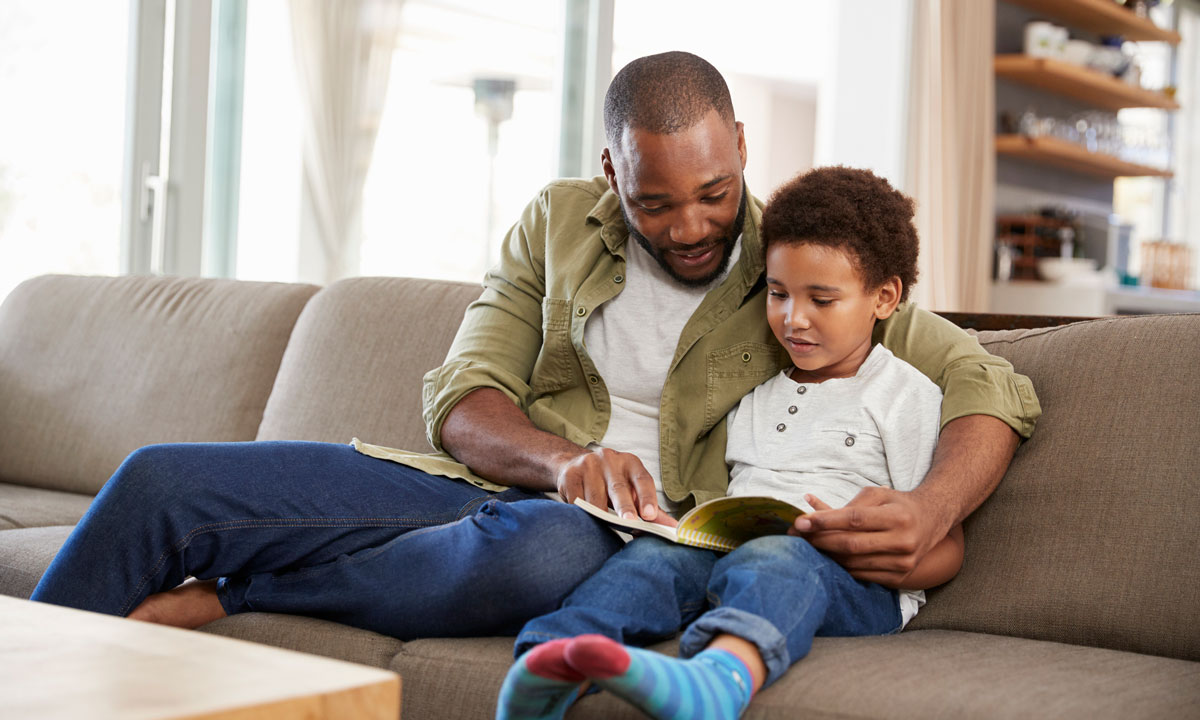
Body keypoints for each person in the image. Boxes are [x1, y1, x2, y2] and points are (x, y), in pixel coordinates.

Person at [31, 52, 1037, 641]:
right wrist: (563, 462)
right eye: (655, 202)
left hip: (628, 534)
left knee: (548, 555)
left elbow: (987, 378)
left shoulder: (798, 270)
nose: (691, 226)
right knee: (159, 481)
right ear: (611, 171)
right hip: (485, 487)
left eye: (714, 195)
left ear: (739, 145)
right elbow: (465, 393)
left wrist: (932, 505)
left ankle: (241, 586)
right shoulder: (556, 224)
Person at [496, 166, 956, 720]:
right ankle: (551, 663)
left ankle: (721, 678)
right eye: (780, 293)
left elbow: (946, 547)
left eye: (822, 300)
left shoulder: (904, 394)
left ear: (883, 298)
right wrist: (683, 525)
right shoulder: (755, 391)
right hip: (730, 554)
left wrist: (879, 552)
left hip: (851, 583)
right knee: (654, 556)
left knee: (778, 555)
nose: (794, 319)